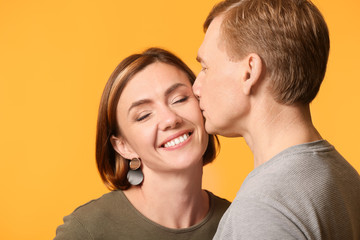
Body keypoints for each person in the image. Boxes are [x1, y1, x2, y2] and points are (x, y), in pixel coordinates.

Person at [193, 0, 360, 239]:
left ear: (249, 72)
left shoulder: (262, 208)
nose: (196, 87)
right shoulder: (344, 177)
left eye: (205, 67)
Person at [54, 47, 230, 239]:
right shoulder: (86, 230)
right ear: (123, 146)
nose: (170, 119)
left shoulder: (240, 220)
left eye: (179, 99)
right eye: (144, 115)